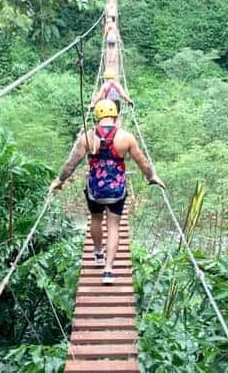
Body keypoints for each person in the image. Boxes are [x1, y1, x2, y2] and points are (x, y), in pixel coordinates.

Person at [49, 99, 164, 284]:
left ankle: (97, 253)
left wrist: (59, 181)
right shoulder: (126, 137)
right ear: (116, 115)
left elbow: (71, 164)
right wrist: (152, 177)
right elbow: (142, 162)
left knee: (95, 219)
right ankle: (109, 270)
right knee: (114, 226)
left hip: (95, 189)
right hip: (117, 190)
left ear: (97, 116)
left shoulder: (87, 137)